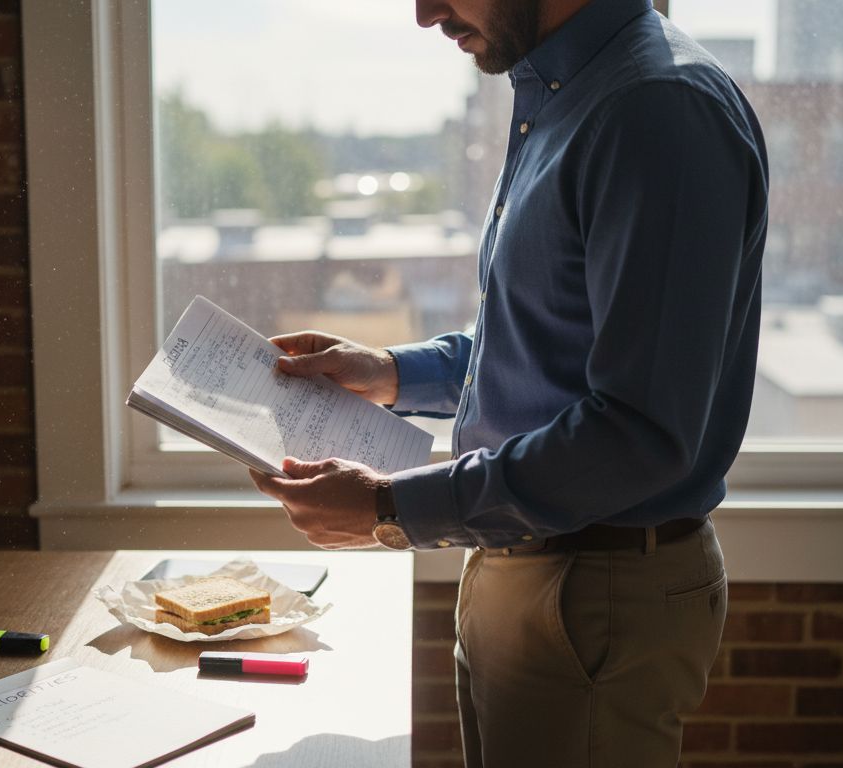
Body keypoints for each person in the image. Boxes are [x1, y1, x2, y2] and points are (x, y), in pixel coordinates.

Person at [249, 0, 768, 764]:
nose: (426, 14)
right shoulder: (569, 97)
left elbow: (637, 431)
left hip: (592, 590)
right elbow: (542, 344)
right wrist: (388, 372)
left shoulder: (657, 111)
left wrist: (391, 507)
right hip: (536, 566)